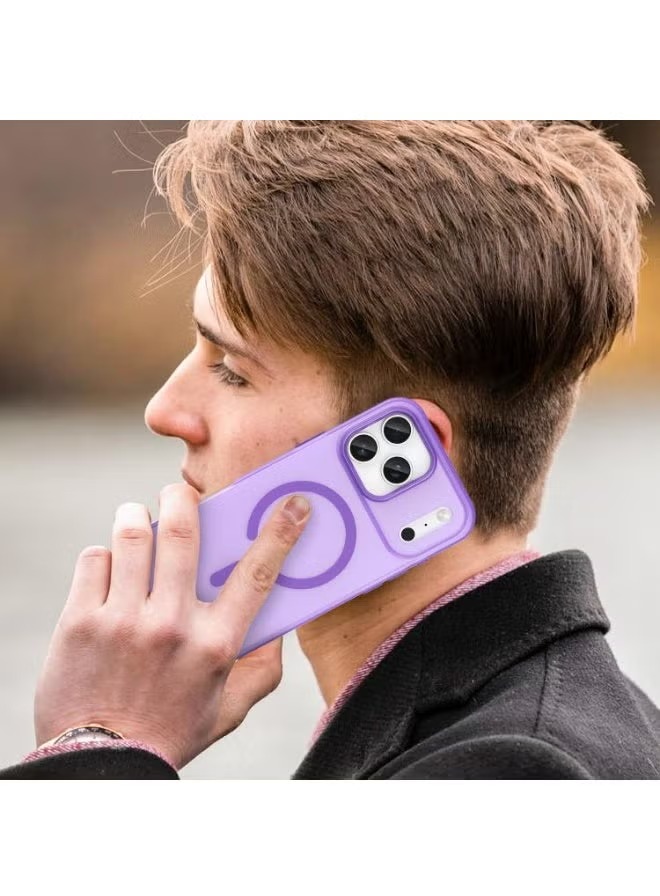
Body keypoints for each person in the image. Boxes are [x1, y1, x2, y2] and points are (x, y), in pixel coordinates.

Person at [2, 120, 659, 779]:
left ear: (409, 463)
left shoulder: (506, 772)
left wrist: (101, 741)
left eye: (232, 370)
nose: (164, 411)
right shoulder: (572, 726)